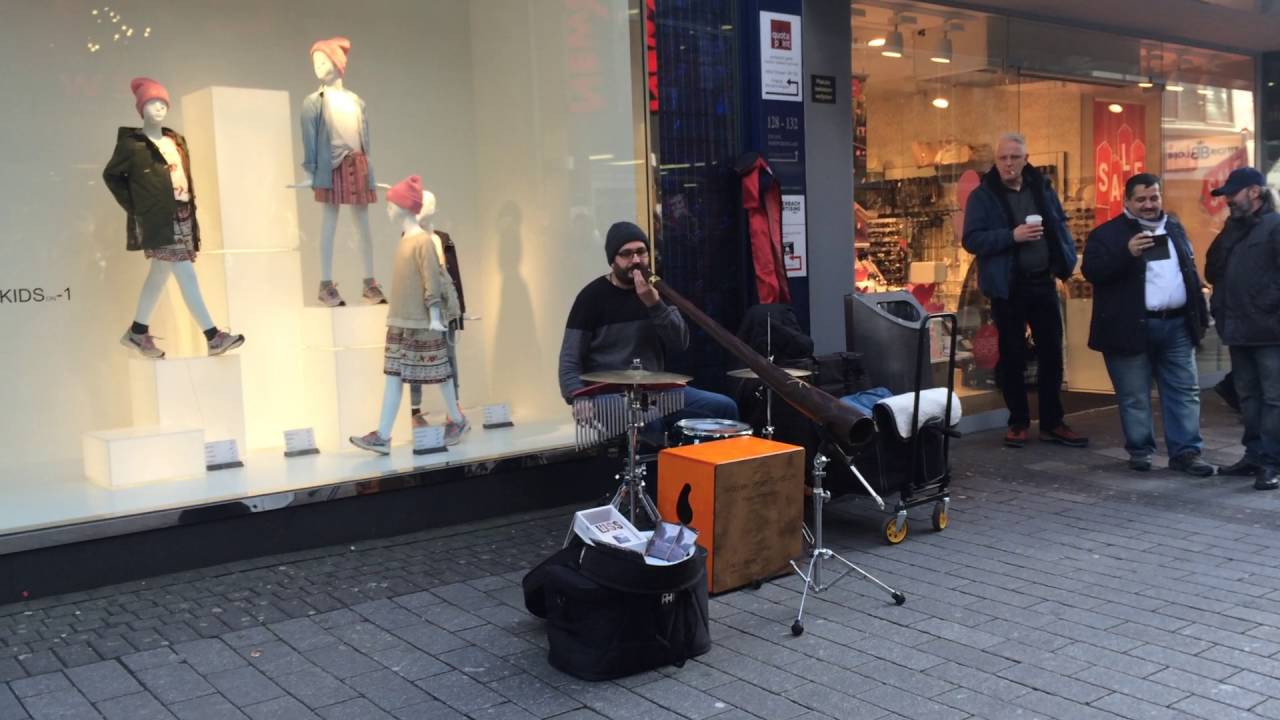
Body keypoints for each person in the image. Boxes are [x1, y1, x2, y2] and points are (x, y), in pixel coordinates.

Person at [1081, 173, 1213, 475]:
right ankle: (1140, 450)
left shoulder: (1175, 228)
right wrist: (1127, 253)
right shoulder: (1107, 234)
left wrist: (1200, 314)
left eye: (1154, 197)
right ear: (1127, 201)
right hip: (1130, 328)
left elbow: (1188, 272)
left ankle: (1187, 453)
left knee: (1185, 390)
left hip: (1177, 324)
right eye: (1141, 199)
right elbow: (1093, 271)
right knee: (1134, 395)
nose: (1148, 204)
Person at [962, 133, 1085, 449]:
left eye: (1014, 157)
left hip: (1043, 281)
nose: (1008, 163)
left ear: (1025, 159)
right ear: (996, 160)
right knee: (1013, 356)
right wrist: (1011, 236)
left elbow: (1059, 224)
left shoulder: (1041, 188)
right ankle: (1017, 421)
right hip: (1009, 287)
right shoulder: (983, 195)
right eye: (1003, 158)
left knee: (1052, 354)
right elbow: (972, 240)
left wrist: (1065, 260)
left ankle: (1052, 422)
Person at [557, 222, 738, 436]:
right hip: (609, 393)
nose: (635, 260)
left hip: (656, 389)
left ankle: (708, 468)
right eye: (626, 254)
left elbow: (680, 342)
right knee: (648, 420)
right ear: (612, 261)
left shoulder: (657, 289)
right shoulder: (591, 297)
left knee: (725, 408)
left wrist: (654, 304)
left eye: (641, 252)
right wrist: (578, 395)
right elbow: (569, 360)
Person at [1205, 167, 1280, 490]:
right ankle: (1255, 454)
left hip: (1269, 330)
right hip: (1238, 328)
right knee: (1248, 397)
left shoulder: (1275, 227)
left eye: (1232, 194)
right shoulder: (1233, 228)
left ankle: (1272, 462)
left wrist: (1267, 304)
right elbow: (1212, 272)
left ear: (1254, 192)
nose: (1228, 201)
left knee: (1274, 399)